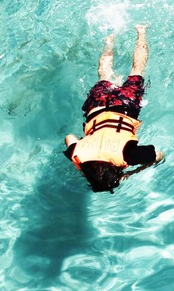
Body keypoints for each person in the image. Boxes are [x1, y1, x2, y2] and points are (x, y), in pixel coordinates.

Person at [64, 25, 162, 192]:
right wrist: (81, 165)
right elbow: (69, 137)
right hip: (97, 106)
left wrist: (133, 172)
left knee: (137, 70)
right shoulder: (77, 155)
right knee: (104, 74)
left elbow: (159, 155)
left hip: (125, 105)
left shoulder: (129, 156)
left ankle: (141, 31)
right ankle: (110, 40)